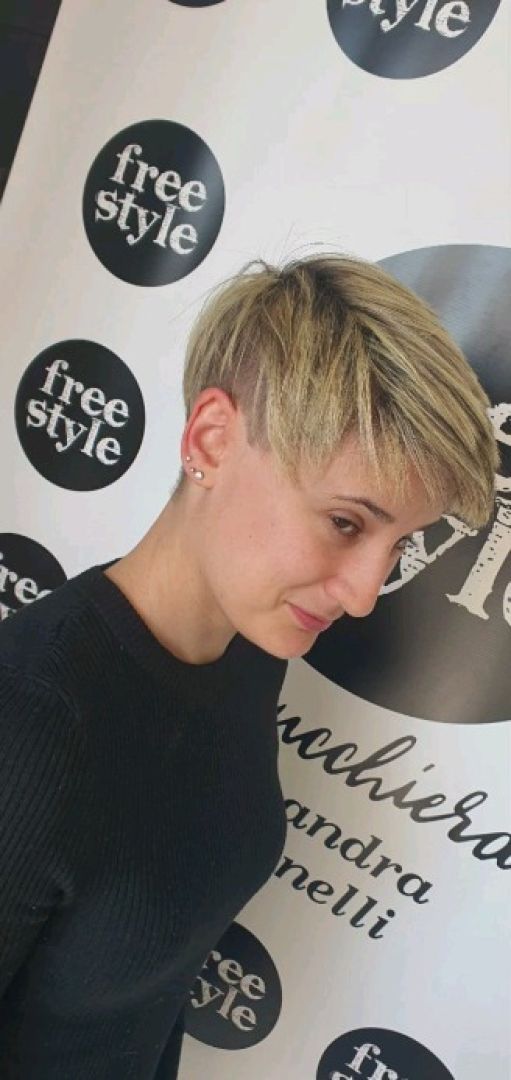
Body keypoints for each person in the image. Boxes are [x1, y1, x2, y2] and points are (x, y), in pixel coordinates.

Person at [0, 253, 498, 1079]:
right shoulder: (29, 727)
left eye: (399, 543)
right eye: (345, 523)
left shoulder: (249, 646)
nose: (364, 594)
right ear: (212, 439)